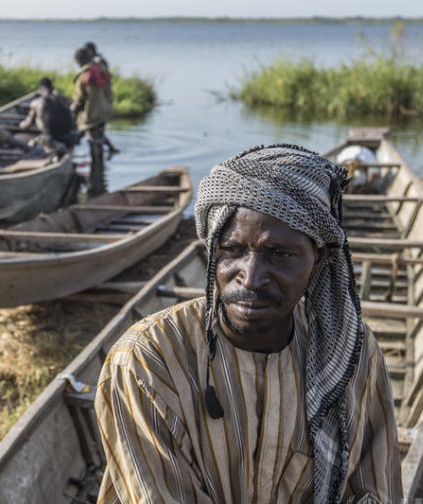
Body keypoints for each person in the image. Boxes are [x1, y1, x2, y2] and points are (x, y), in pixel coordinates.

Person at [95, 145, 402, 503]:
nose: (251, 278)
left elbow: (375, 490)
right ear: (212, 250)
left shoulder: (352, 353)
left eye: (279, 255)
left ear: (317, 258)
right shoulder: (148, 359)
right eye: (232, 250)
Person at [71, 47, 114, 195]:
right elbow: (109, 91)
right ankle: (100, 177)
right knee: (99, 141)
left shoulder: (84, 75)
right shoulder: (102, 69)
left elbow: (79, 99)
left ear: (79, 61)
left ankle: (95, 185)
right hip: (104, 111)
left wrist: (72, 113)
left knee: (93, 144)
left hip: (91, 115)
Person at [19, 77, 76, 154]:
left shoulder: (36, 103)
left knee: (26, 141)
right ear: (52, 88)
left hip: (50, 139)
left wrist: (20, 125)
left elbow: (27, 124)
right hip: (68, 137)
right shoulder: (64, 99)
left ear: (40, 89)